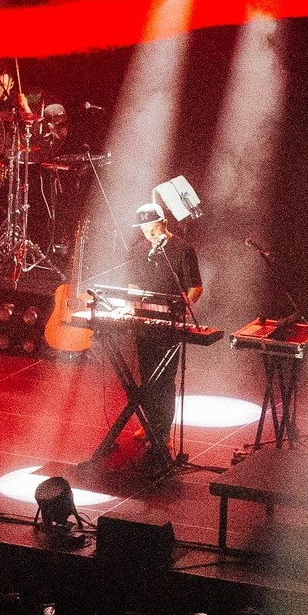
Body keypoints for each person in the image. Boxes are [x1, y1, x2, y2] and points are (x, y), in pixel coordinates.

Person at [125, 199, 203, 470]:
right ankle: (151, 426)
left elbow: (195, 286)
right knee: (147, 376)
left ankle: (163, 431)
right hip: (145, 320)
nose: (148, 232)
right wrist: (133, 301)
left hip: (170, 322)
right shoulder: (138, 250)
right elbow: (133, 283)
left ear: (164, 223)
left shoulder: (182, 250)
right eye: (143, 228)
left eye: (153, 227)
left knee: (165, 380)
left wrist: (183, 306)